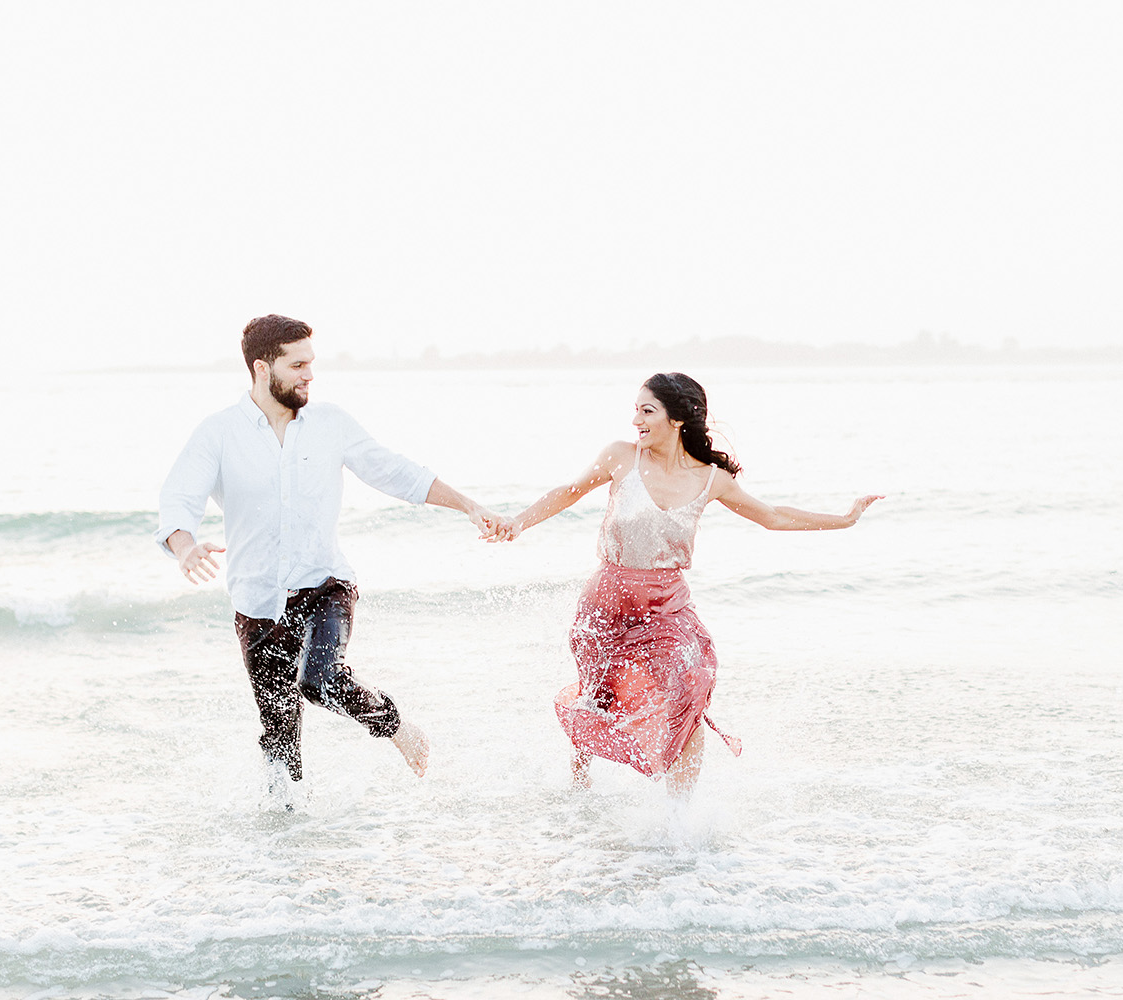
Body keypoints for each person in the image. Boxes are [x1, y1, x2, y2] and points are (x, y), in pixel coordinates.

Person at [492, 373, 882, 798]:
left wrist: (843, 519)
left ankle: (679, 821)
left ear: (676, 419)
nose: (636, 420)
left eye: (647, 411)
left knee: (690, 686)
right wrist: (517, 523)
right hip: (605, 603)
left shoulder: (711, 479)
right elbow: (566, 492)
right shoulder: (620, 457)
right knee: (597, 701)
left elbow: (773, 516)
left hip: (666, 607)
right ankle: (578, 797)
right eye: (635, 410)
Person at [156, 314, 498, 785]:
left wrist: (468, 506)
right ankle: (286, 843)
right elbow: (179, 498)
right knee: (281, 742)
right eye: (297, 365)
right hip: (257, 604)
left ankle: (398, 729)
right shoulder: (218, 433)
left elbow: (394, 471)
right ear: (262, 368)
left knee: (322, 680)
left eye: (311, 363)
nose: (309, 375)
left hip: (326, 585)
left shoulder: (330, 424)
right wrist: (184, 546)